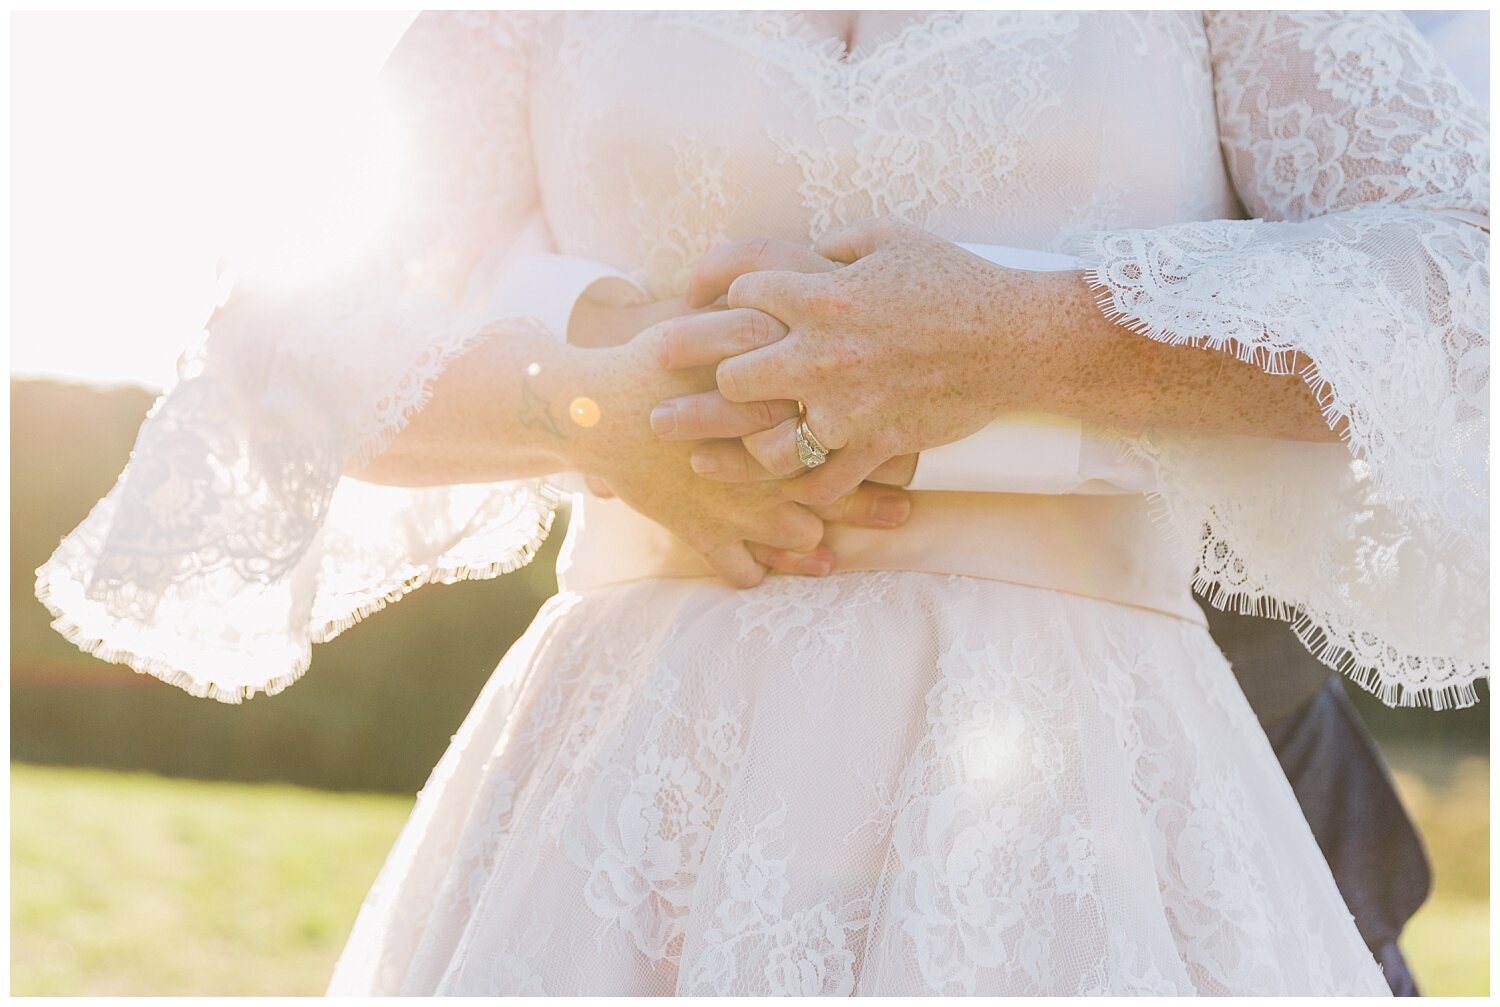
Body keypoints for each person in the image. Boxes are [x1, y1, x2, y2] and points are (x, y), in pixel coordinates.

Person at [36, 11, 1486, 995]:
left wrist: (1026, 338)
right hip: (630, 781)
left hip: (1091, 778)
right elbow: (285, 332)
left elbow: (1468, 274)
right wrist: (593, 403)